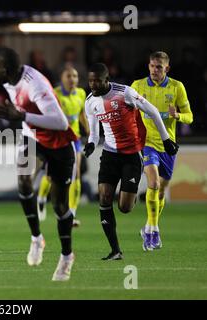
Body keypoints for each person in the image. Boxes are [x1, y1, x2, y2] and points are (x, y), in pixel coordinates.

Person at [0, 48, 78, 281]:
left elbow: (60, 122)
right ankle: (36, 239)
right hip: (33, 138)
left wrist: (21, 117)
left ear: (7, 69)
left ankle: (67, 256)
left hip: (59, 145)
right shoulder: (9, 82)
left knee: (59, 206)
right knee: (23, 179)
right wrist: (20, 119)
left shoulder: (35, 85)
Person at [84, 63, 178, 260]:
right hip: (110, 154)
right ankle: (115, 250)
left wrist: (166, 139)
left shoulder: (124, 93)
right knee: (104, 197)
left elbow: (151, 111)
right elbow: (94, 132)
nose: (93, 84)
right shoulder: (90, 101)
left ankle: (133, 194)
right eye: (90, 80)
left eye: (97, 81)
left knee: (125, 208)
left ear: (106, 80)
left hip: (131, 155)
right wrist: (91, 144)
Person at [131, 51, 193, 251]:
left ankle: (148, 227)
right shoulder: (137, 86)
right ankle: (154, 231)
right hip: (147, 143)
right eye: (151, 66)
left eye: (159, 67)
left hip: (168, 145)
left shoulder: (177, 87)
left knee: (161, 190)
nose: (154, 70)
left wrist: (178, 117)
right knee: (154, 183)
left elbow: (190, 116)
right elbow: (125, 108)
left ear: (167, 68)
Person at [37, 67, 89, 226]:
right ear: (62, 78)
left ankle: (71, 213)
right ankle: (40, 199)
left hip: (74, 140)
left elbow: (81, 114)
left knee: (77, 174)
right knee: (51, 175)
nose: (72, 79)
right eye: (69, 76)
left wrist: (88, 129)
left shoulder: (81, 93)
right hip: (56, 140)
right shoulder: (54, 94)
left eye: (75, 76)